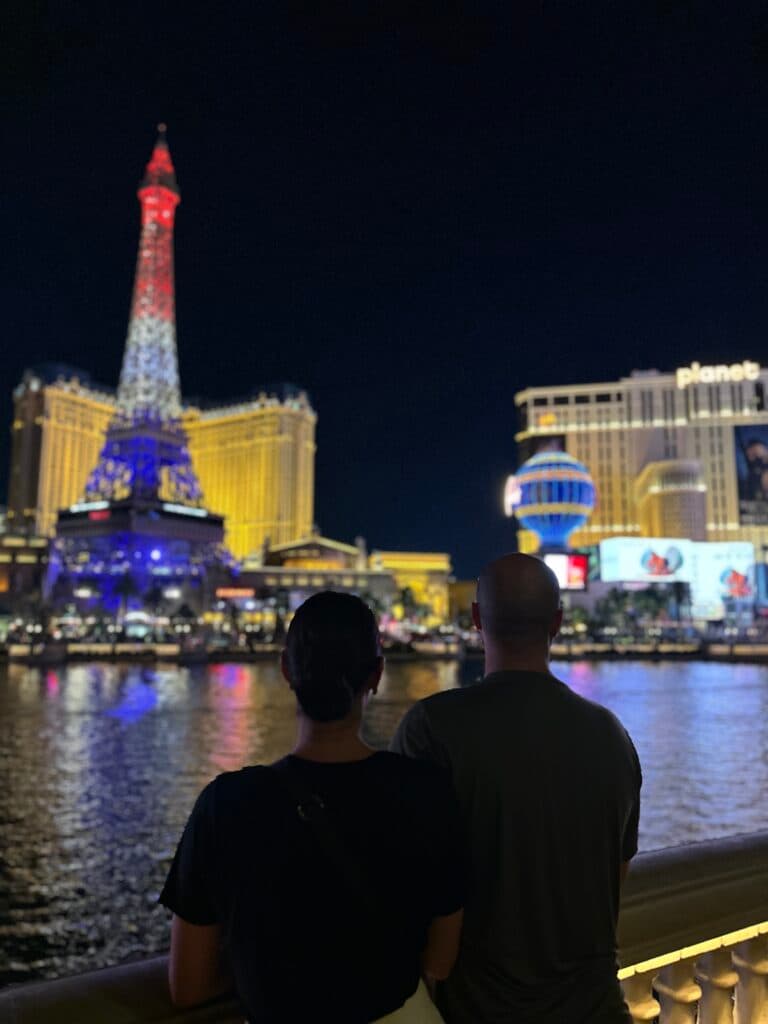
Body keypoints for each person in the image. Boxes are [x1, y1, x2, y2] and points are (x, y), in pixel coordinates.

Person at [160, 591, 466, 1023]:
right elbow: (441, 961)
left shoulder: (225, 805)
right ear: (376, 675)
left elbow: (188, 987)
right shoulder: (425, 791)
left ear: (287, 669)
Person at [391, 554, 641, 1024]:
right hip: (599, 1011)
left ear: (477, 619)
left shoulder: (432, 728)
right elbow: (614, 878)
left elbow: (408, 888)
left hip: (480, 1011)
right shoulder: (611, 734)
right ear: (559, 623)